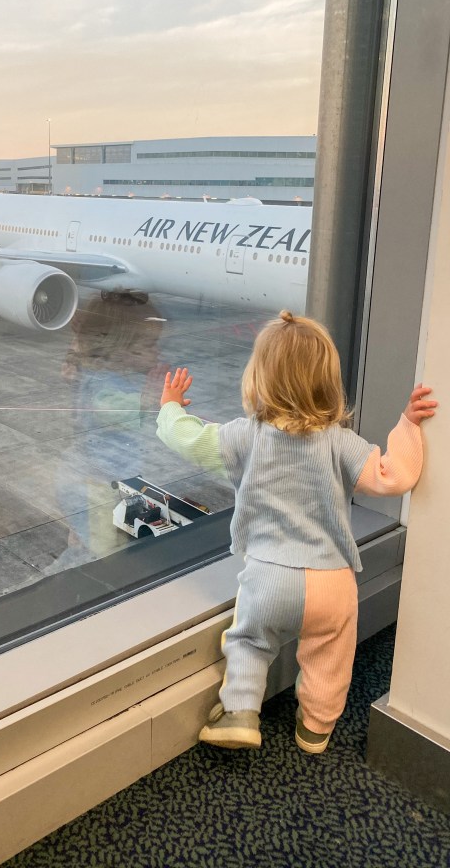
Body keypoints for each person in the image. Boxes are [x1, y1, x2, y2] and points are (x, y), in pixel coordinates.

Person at [156, 310, 437, 754]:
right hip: (332, 581)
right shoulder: (340, 441)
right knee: (329, 654)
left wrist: (169, 407)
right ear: (328, 381)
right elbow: (393, 477)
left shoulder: (243, 437)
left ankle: (241, 713)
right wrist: (407, 426)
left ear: (258, 379)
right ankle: (314, 730)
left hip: (268, 575)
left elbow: (188, 439)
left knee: (249, 640)